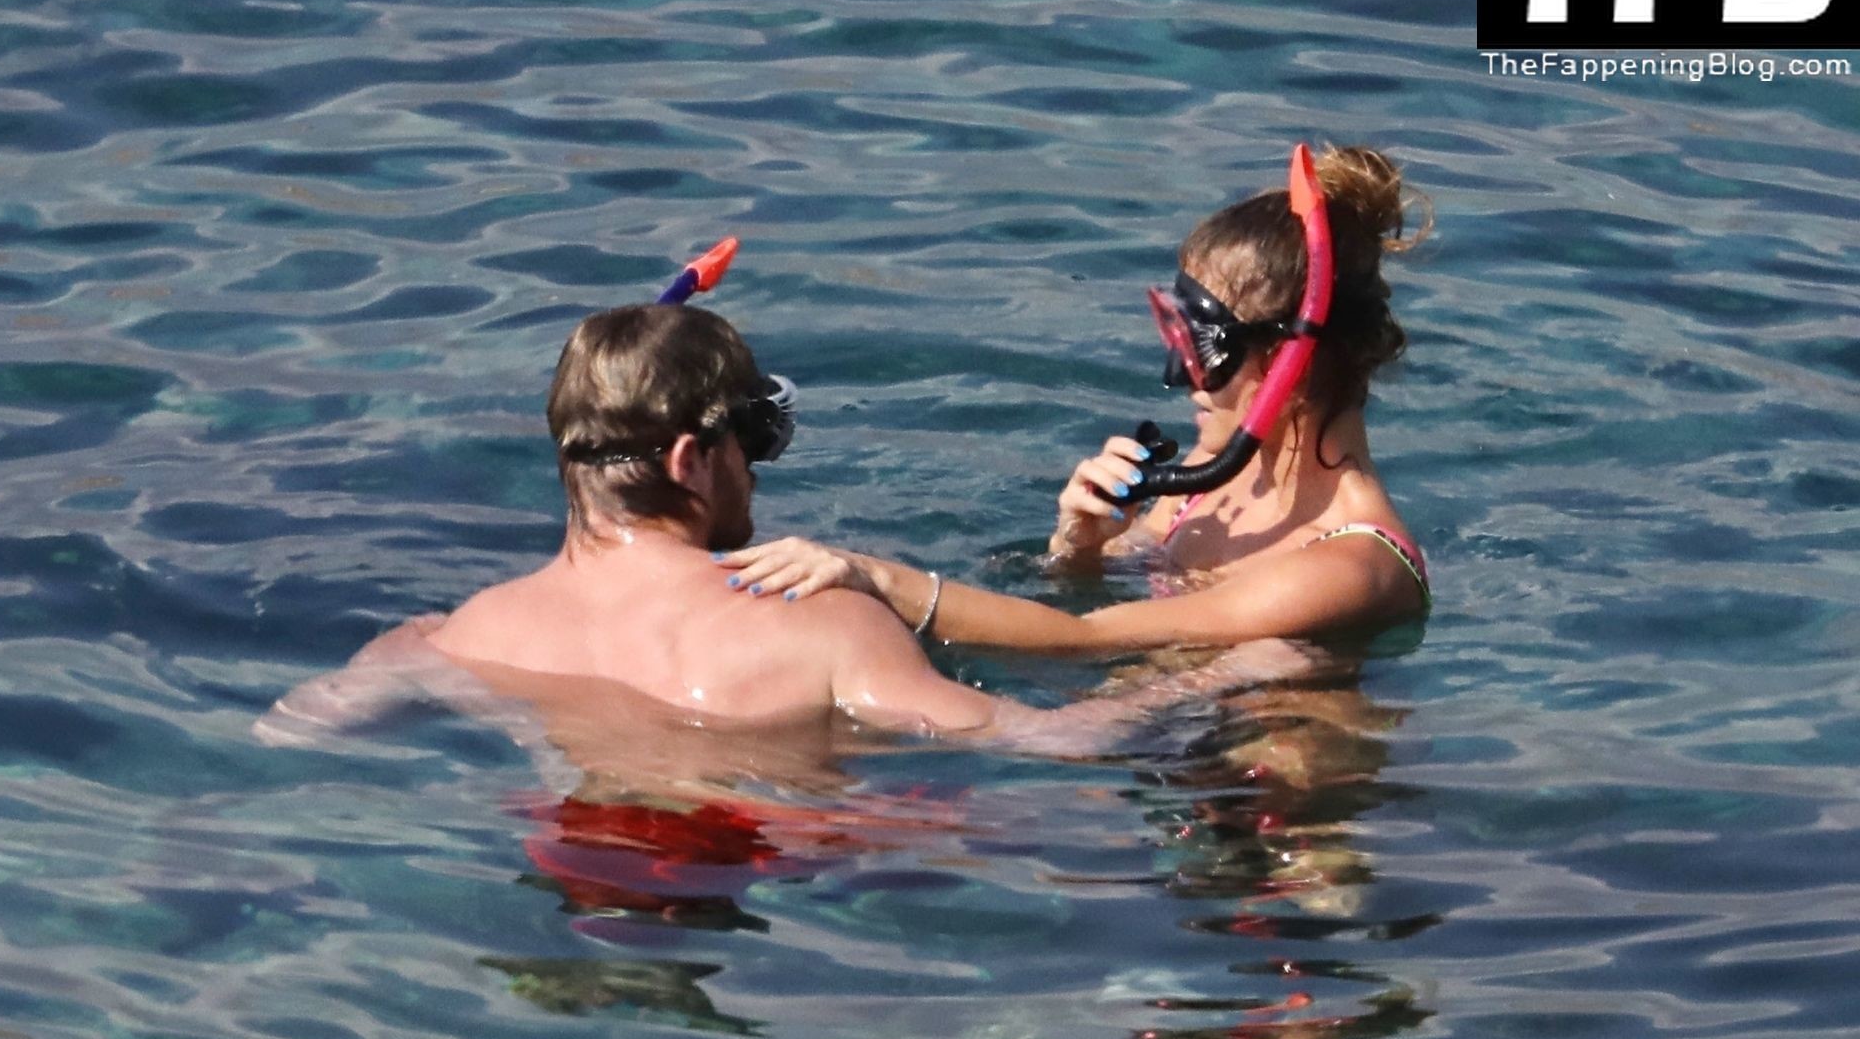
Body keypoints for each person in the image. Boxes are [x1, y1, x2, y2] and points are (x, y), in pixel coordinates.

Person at [256, 301, 1316, 769]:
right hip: (756, 875)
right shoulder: (820, 625)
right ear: (689, 459)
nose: (757, 468)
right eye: (753, 437)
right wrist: (1231, 672)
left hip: (572, 873)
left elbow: (289, 733)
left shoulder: (461, 635)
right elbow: (1056, 743)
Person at [719, 143, 1432, 653]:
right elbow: (1084, 604)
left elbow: (1083, 639)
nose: (1180, 376)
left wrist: (876, 576)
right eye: (1174, 334)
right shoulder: (1211, 481)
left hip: (1272, 804)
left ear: (1291, 366)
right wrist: (1080, 548)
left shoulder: (1347, 567)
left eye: (1201, 348)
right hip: (1171, 751)